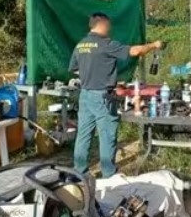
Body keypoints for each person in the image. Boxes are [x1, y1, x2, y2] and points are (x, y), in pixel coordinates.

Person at [69, 12, 163, 178]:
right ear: (103, 24)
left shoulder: (81, 45)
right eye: (109, 25)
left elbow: (76, 69)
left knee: (83, 134)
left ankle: (79, 173)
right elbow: (135, 51)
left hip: (85, 94)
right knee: (107, 134)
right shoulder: (106, 44)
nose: (110, 28)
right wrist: (154, 45)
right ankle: (109, 173)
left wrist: (98, 77)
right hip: (102, 97)